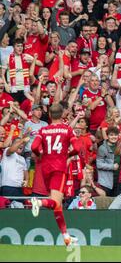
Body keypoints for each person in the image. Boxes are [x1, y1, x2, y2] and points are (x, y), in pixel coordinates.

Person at [30, 103, 80, 246]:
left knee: (56, 204)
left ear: (50, 116)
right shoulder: (67, 130)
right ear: (62, 114)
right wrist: (67, 155)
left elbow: (34, 147)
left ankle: (66, 236)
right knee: (56, 202)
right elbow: (77, 148)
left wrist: (40, 155)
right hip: (59, 167)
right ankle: (38, 202)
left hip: (45, 168)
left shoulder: (43, 130)